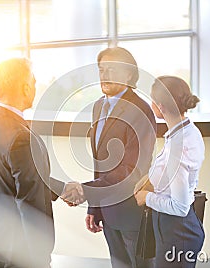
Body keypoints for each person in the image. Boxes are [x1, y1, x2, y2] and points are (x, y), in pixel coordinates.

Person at [0, 57, 80, 268]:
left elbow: (17, 177)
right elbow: (27, 200)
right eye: (33, 82)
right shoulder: (20, 136)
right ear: (24, 88)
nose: (34, 87)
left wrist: (61, 188)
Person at [68, 47, 157, 268]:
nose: (104, 75)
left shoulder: (141, 111)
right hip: (108, 213)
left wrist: (86, 191)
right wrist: (95, 206)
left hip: (132, 215)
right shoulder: (99, 106)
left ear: (128, 75)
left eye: (112, 69)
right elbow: (102, 164)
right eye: (101, 69)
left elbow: (132, 169)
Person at [134, 76, 205, 268]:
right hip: (174, 231)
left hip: (177, 233)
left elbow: (179, 207)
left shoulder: (178, 148)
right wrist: (149, 178)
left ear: (160, 107)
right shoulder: (186, 130)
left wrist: (146, 197)